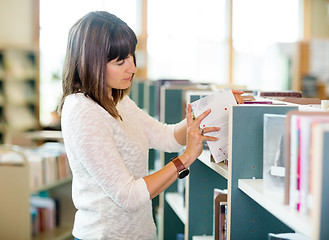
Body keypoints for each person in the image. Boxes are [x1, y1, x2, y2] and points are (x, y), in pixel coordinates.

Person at [58, 11, 243, 240]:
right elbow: (129, 196)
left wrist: (214, 106)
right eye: (121, 61)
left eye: (131, 57)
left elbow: (165, 136)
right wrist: (186, 158)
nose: (133, 68)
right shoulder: (82, 110)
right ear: (91, 62)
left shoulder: (116, 99)